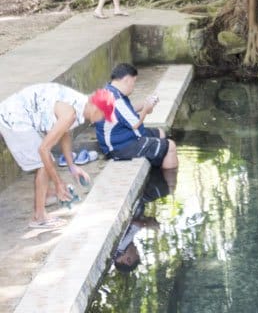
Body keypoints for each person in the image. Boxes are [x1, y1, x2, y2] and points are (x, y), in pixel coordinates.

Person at [0, 84, 116, 228]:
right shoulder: (71, 113)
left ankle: (46, 195)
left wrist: (72, 166)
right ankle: (39, 217)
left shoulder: (79, 105)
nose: (102, 119)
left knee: (47, 162)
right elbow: (43, 149)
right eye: (103, 115)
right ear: (96, 108)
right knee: (43, 164)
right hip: (14, 117)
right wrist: (58, 183)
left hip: (23, 113)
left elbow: (64, 133)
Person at [95, 63, 178, 170]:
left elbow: (126, 112)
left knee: (161, 133)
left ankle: (158, 161)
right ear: (126, 80)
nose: (133, 87)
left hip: (123, 135)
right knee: (170, 146)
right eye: (134, 82)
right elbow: (136, 124)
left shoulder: (109, 91)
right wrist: (145, 109)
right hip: (119, 147)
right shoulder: (117, 100)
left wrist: (145, 103)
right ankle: (169, 182)